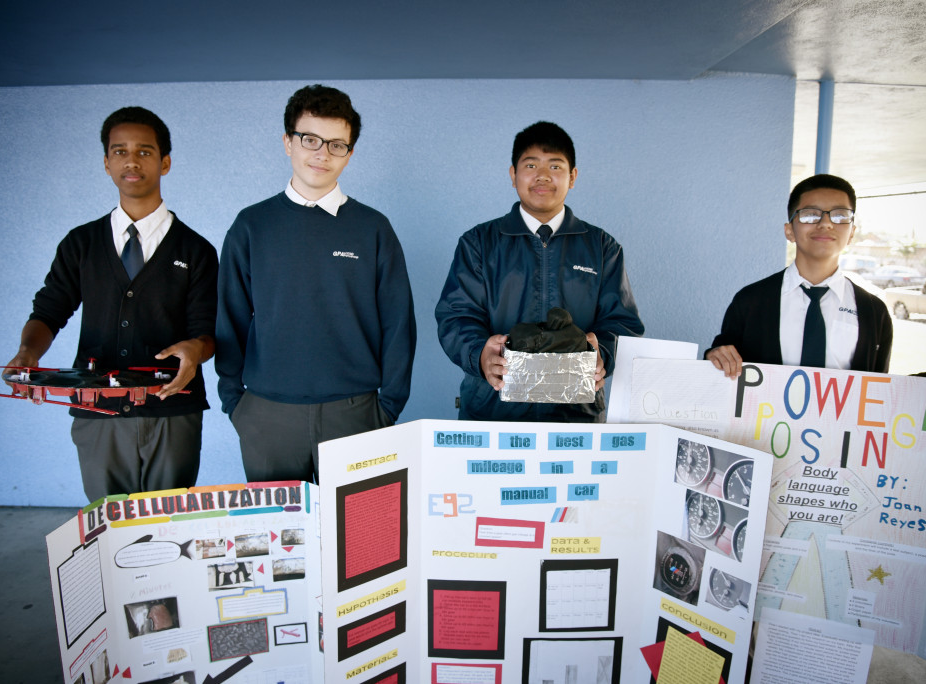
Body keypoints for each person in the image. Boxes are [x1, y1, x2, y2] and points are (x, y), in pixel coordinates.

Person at [7, 107, 218, 501]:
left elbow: (207, 329)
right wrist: (28, 351)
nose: (131, 160)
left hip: (171, 410)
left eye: (144, 151)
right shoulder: (81, 244)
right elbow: (49, 310)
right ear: (106, 163)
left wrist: (197, 349)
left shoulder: (197, 250)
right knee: (108, 529)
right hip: (97, 410)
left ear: (165, 162)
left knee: (170, 524)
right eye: (119, 151)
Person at [215, 84, 416, 483]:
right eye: (310, 139)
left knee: (355, 540)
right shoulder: (252, 225)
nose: (322, 153)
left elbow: (399, 322)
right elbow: (230, 316)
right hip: (266, 414)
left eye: (337, 144)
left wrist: (388, 406)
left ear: (350, 153)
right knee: (278, 540)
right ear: (288, 142)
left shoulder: (373, 228)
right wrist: (235, 402)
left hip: (356, 413)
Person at [435, 121, 644, 422]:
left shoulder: (602, 247)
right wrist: (480, 353)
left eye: (556, 167)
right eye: (531, 164)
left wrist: (604, 356)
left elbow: (623, 324)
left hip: (576, 419)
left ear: (572, 177)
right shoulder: (478, 243)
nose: (543, 176)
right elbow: (456, 316)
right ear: (513, 175)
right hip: (492, 413)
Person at [705, 173, 926, 389]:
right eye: (811, 214)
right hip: (762, 442)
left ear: (852, 232)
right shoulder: (751, 301)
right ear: (790, 230)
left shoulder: (873, 312)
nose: (826, 224)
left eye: (840, 215)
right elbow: (720, 362)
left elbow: (877, 391)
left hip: (839, 454)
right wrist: (714, 357)